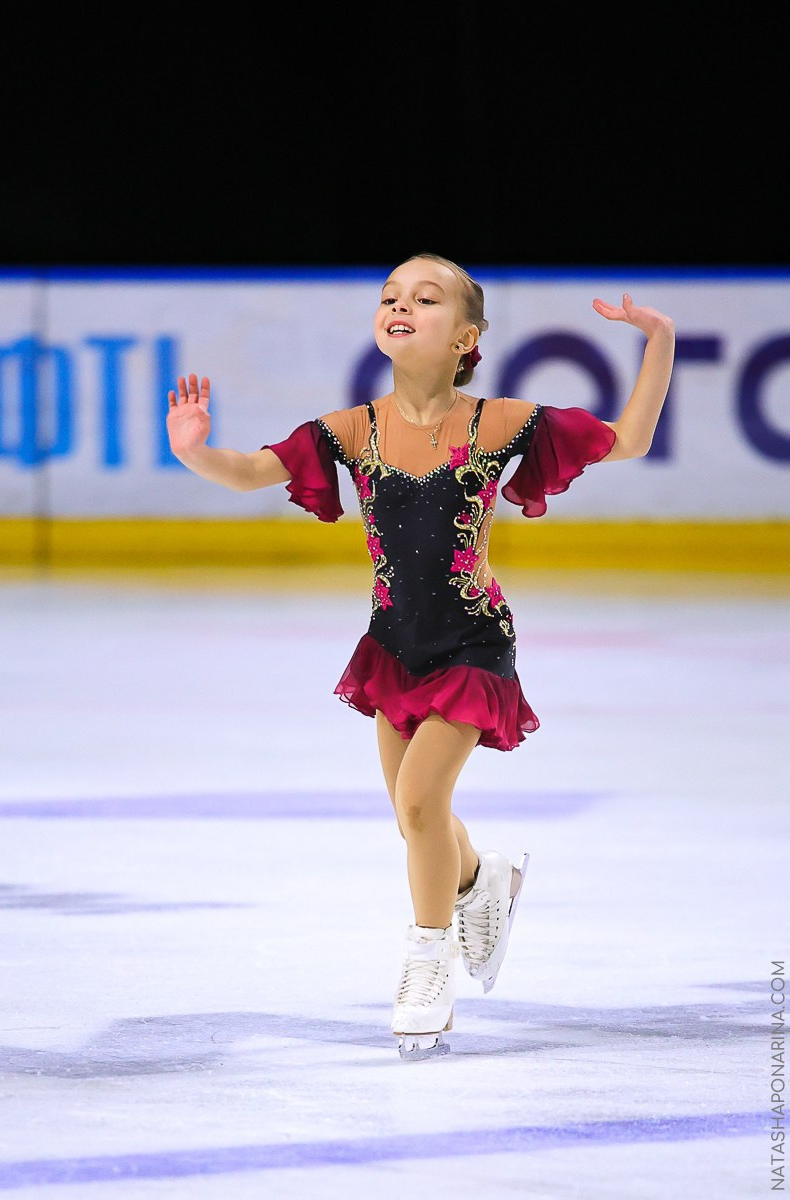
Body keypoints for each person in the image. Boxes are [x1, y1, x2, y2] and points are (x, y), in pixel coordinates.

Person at [166, 252, 675, 1061]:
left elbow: (632, 439)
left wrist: (660, 340)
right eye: (390, 295)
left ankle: (428, 958)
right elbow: (250, 472)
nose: (401, 305)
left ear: (465, 336)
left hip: (473, 642)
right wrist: (195, 450)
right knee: (416, 817)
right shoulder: (351, 429)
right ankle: (485, 879)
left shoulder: (497, 423)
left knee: (417, 802)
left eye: (426, 298)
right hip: (392, 648)